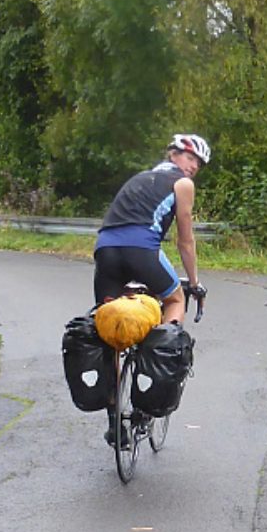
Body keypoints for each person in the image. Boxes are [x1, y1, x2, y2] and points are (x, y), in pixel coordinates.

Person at [94, 133, 210, 447]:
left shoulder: (140, 178)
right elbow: (184, 240)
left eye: (198, 163)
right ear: (173, 155)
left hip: (105, 251)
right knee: (175, 299)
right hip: (141, 251)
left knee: (109, 331)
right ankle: (158, 362)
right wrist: (194, 283)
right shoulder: (182, 184)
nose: (194, 167)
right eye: (191, 158)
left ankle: (113, 421)